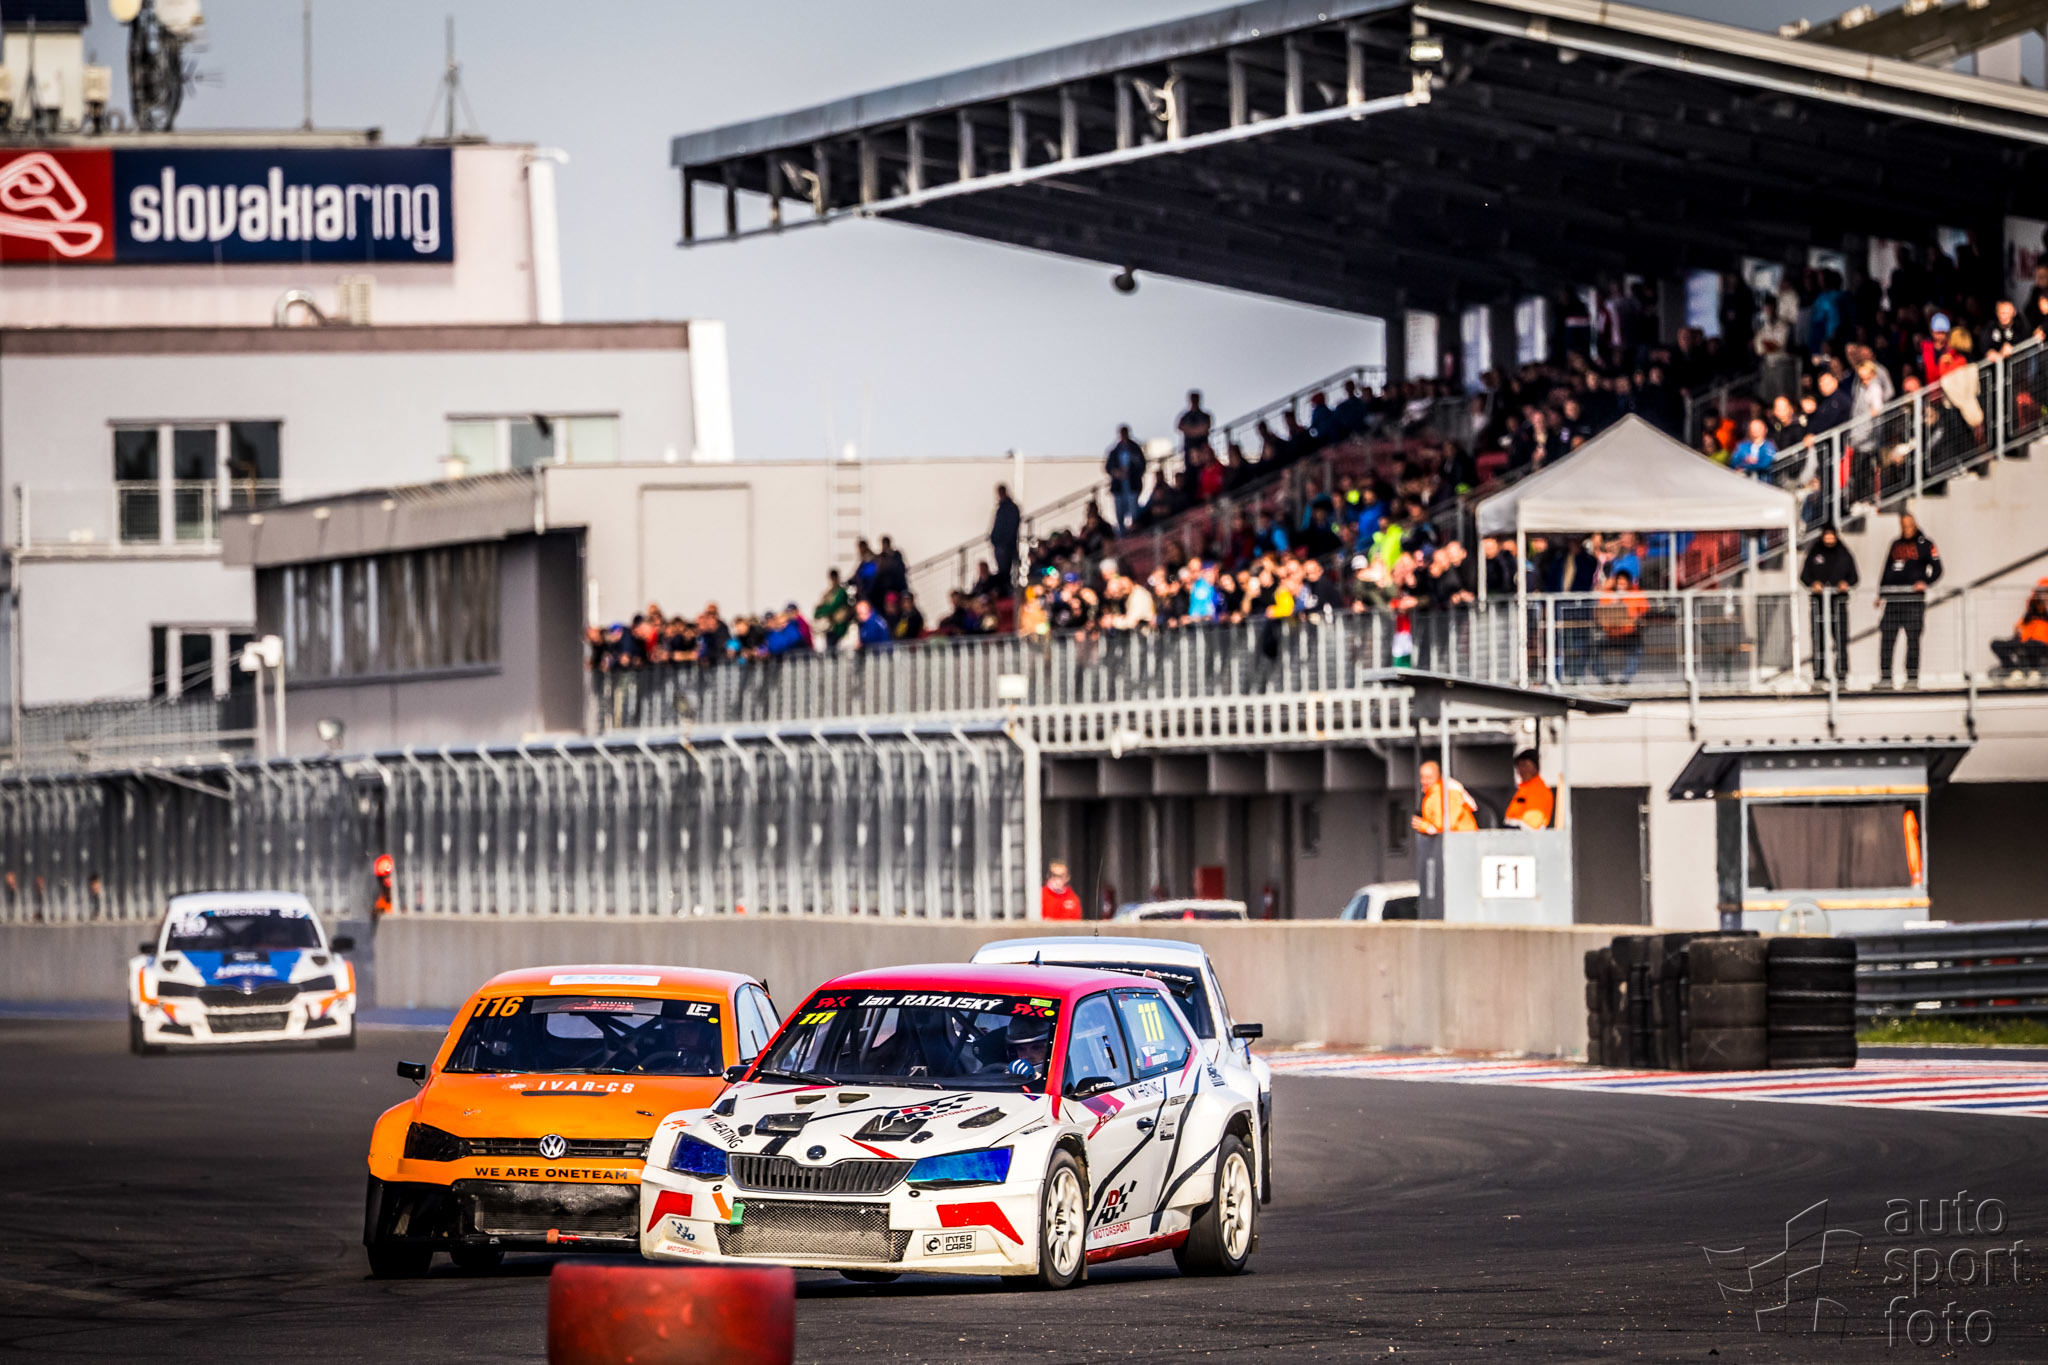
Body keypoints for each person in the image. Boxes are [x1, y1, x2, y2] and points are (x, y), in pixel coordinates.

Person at [1876, 511, 1941, 688]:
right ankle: (1885, 677)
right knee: (1887, 638)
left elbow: (1937, 569)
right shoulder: (1896, 545)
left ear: (1915, 525)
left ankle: (1912, 677)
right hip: (1893, 600)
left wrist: (1925, 582)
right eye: (1903, 526)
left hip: (1913, 601)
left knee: (1913, 640)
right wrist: (1881, 594)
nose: (1906, 529)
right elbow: (1886, 570)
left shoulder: (1926, 544)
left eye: (1909, 525)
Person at [1798, 524, 1858, 682]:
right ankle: (1818, 673)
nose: (1829, 539)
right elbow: (1804, 576)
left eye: (1832, 536)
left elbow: (1854, 577)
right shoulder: (1814, 552)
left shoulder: (1844, 553)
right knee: (1818, 639)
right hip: (1819, 604)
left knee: (1840, 638)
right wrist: (1813, 584)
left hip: (1838, 603)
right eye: (1827, 536)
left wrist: (1845, 584)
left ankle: (1841, 673)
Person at [1990, 578, 2048, 675]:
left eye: (2046, 592)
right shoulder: (2033, 610)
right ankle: (2013, 671)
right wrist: (2019, 630)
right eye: (2041, 592)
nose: (2044, 595)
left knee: (2032, 644)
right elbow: (2022, 625)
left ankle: (2034, 672)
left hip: (2042, 645)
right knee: (1996, 644)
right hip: (2025, 641)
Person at [1410, 759, 1478, 836]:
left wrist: (1426, 827)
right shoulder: (1431, 794)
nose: (1424, 781)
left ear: (1439, 776)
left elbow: (1449, 825)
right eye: (1422, 777)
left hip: (1464, 838)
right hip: (1457, 839)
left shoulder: (1450, 792)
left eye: (1429, 777)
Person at [1104, 426, 1146, 535]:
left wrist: (1131, 473)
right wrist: (1116, 472)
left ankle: (1134, 530)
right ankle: (1122, 532)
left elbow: (1141, 465)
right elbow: (1108, 467)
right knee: (1119, 511)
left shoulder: (1135, 449)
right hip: (1119, 487)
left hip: (1132, 485)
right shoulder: (1115, 451)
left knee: (1133, 510)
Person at [1503, 749, 1555, 830]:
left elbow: (1533, 823)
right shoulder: (1523, 789)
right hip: (1513, 833)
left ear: (1535, 767)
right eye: (1519, 766)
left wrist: (1514, 825)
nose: (1521, 770)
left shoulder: (1539, 790)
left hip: (1527, 835)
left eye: (1525, 765)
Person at [989, 484, 1022, 597]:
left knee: (1005, 571)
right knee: (1002, 571)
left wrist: (1004, 541)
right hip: (1001, 545)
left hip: (1006, 546)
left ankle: (1007, 592)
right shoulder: (1002, 508)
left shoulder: (1010, 508)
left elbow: (1011, 526)